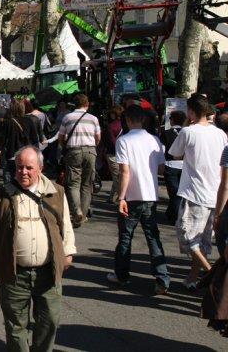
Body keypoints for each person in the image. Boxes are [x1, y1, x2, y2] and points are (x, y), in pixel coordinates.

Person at [0, 146, 76, 352]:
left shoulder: (56, 192)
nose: (23, 172)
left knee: (48, 322)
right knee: (15, 326)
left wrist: (68, 252)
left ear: (40, 168)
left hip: (47, 273)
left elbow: (65, 225)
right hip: (14, 274)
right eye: (19, 167)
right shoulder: (2, 194)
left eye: (29, 168)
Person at [107, 105, 170, 294]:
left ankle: (122, 275)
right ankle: (162, 277)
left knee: (126, 237)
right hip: (150, 194)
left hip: (132, 195)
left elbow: (124, 171)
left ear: (127, 120)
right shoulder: (155, 140)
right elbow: (161, 169)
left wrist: (122, 197)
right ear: (143, 119)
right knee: (153, 236)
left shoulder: (124, 141)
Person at [169, 93, 228, 289]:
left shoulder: (188, 131)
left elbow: (175, 153)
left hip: (194, 191)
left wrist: (188, 123)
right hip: (215, 191)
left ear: (192, 111)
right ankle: (193, 278)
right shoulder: (220, 133)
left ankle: (211, 274)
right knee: (202, 240)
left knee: (186, 235)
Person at [58, 94, 101, 225]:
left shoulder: (68, 117)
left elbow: (61, 137)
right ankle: (83, 213)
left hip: (74, 151)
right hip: (90, 150)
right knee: (87, 184)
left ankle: (77, 211)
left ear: (73, 104)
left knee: (73, 183)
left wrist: (64, 146)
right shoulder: (93, 119)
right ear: (87, 104)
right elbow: (98, 137)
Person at [0, 99, 38, 185]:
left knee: (9, 179)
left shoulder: (8, 122)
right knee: (24, 178)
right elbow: (35, 140)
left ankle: (10, 196)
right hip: (26, 155)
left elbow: (2, 142)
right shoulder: (29, 121)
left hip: (11, 154)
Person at [160, 110, 186, 223]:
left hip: (170, 165)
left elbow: (161, 150)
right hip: (185, 166)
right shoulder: (187, 132)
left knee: (174, 193)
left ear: (172, 120)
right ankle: (171, 213)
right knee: (181, 192)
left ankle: (174, 216)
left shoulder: (166, 133)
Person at [104, 105, 123, 204]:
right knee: (120, 176)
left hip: (113, 154)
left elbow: (111, 141)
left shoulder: (110, 126)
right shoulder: (125, 125)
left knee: (117, 177)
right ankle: (113, 196)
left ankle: (117, 197)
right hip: (124, 154)